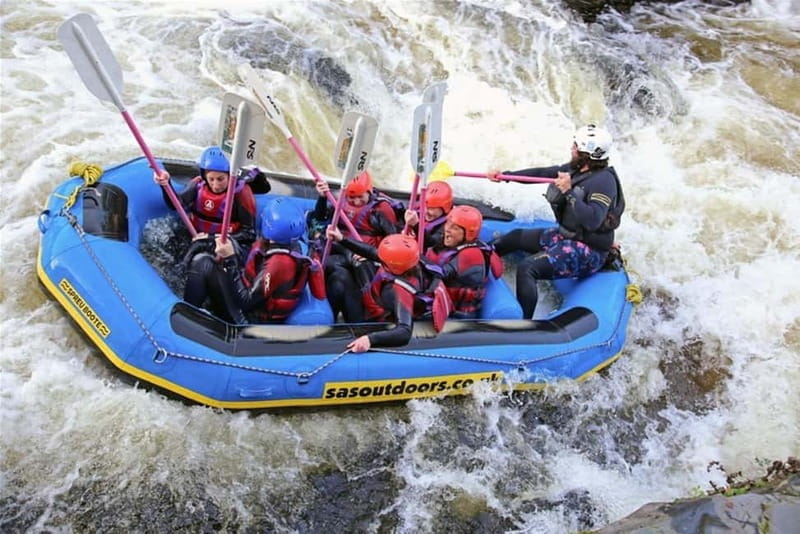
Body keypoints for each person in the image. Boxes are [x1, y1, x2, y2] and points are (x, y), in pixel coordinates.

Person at [489, 124, 625, 318]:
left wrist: (568, 192)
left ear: (586, 154)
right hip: (567, 236)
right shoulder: (578, 170)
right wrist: (506, 176)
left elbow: (593, 220)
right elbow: (543, 173)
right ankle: (478, 268)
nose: (572, 148)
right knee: (514, 237)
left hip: (589, 251)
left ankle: (523, 324)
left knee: (527, 268)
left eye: (575, 146)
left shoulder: (604, 182)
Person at [184, 197, 325, 323]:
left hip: (247, 319)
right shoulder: (287, 242)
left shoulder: (280, 263)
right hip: (249, 297)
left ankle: (186, 317)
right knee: (216, 249)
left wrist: (230, 259)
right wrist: (214, 240)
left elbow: (246, 301)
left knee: (203, 263)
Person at [324, 229, 450, 353]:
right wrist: (342, 239)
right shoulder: (411, 261)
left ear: (392, 266)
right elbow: (373, 253)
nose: (378, 255)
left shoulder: (399, 291)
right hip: (377, 299)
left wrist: (370, 339)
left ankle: (328, 326)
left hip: (371, 320)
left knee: (339, 280)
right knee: (355, 267)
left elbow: (405, 331)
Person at [311, 170, 402, 322]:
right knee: (334, 273)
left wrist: (374, 255)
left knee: (349, 269)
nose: (356, 202)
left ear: (369, 191)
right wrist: (322, 197)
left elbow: (393, 240)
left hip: (369, 258)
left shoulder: (381, 209)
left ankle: (371, 307)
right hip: (341, 251)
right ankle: (328, 315)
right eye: (352, 197)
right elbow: (320, 218)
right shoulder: (340, 200)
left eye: (361, 197)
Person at [153, 146, 256, 262]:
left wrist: (211, 238)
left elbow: (249, 234)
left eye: (220, 179)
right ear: (204, 177)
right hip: (195, 235)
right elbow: (175, 205)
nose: (216, 185)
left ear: (230, 175)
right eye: (211, 179)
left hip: (224, 244)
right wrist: (166, 184)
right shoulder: (198, 185)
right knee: (173, 250)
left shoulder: (241, 193)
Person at [424, 205, 504, 319]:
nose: (447, 229)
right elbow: (430, 242)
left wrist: (414, 259)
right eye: (448, 224)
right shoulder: (454, 240)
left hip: (459, 315)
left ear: (468, 233)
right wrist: (415, 225)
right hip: (444, 304)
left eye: (455, 228)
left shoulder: (471, 255)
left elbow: (440, 273)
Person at [403, 181, 454, 252]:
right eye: (424, 206)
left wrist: (416, 225)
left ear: (445, 208)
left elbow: (432, 242)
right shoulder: (415, 210)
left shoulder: (448, 226)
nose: (425, 211)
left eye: (432, 208)